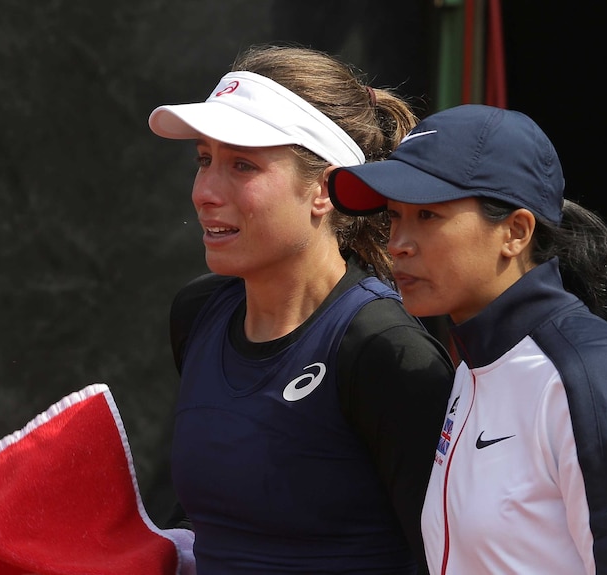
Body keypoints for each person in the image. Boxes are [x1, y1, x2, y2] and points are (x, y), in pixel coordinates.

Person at [147, 44, 455, 574]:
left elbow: (442, 558)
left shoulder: (386, 351)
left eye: (242, 164)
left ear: (325, 189)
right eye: (204, 160)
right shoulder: (197, 313)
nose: (204, 192)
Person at [328, 103, 607, 574]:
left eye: (427, 215)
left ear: (516, 232)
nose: (397, 242)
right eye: (394, 216)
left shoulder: (585, 377)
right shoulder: (474, 365)